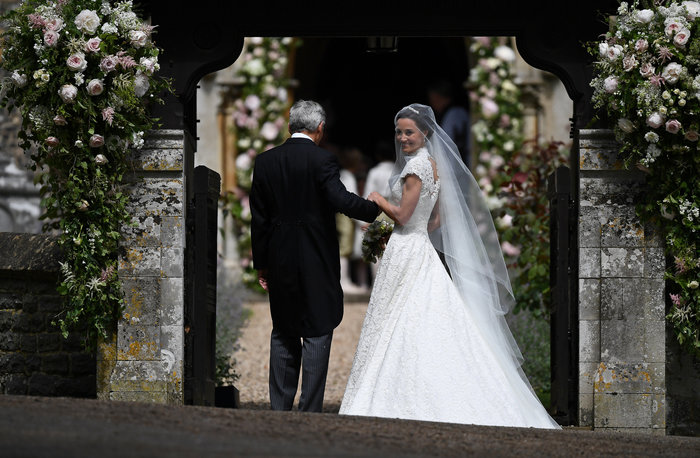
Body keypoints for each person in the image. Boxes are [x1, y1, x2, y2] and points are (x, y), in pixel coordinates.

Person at [339, 104, 559, 428]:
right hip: (417, 246)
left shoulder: (416, 168)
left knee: (399, 316)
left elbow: (402, 214)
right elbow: (436, 218)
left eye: (409, 132)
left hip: (408, 252)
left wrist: (377, 200)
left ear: (425, 132)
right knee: (418, 315)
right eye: (399, 132)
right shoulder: (433, 165)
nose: (403, 138)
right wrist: (400, 230)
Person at [250, 100, 379, 412]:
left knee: (283, 328)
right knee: (318, 326)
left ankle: (279, 408)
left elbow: (259, 218)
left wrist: (263, 264)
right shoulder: (323, 160)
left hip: (279, 257)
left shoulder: (266, 161)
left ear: (290, 124)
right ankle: (309, 410)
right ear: (320, 128)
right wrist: (375, 208)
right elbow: (340, 199)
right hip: (315, 257)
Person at [427, 80, 471, 168]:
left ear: (437, 97)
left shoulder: (454, 114)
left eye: (432, 98)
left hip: (458, 164)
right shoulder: (455, 112)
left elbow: (447, 144)